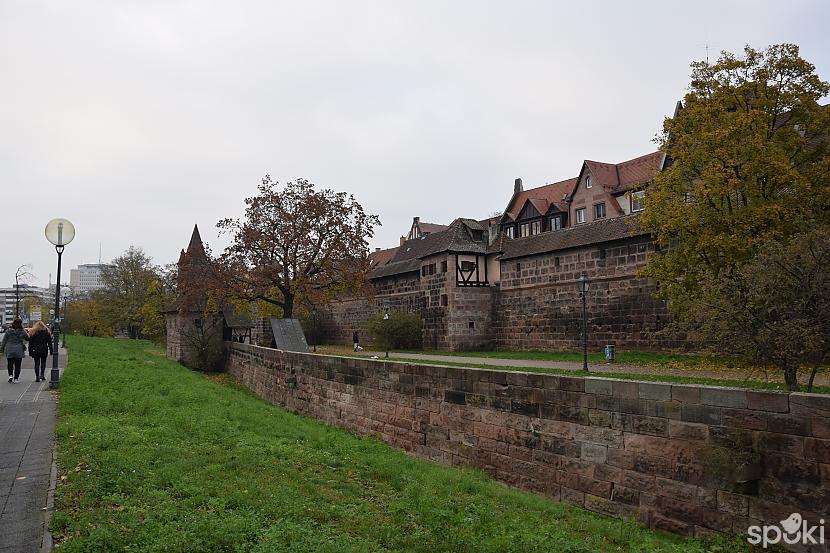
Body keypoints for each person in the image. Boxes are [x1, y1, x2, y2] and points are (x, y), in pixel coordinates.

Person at [1, 319, 29, 383]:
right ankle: (16, 379)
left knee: (10, 363)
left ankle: (10, 376)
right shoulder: (22, 331)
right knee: (18, 365)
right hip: (19, 349)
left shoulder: (8, 331)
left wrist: (2, 349)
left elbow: (4, 341)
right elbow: (27, 338)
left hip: (9, 349)